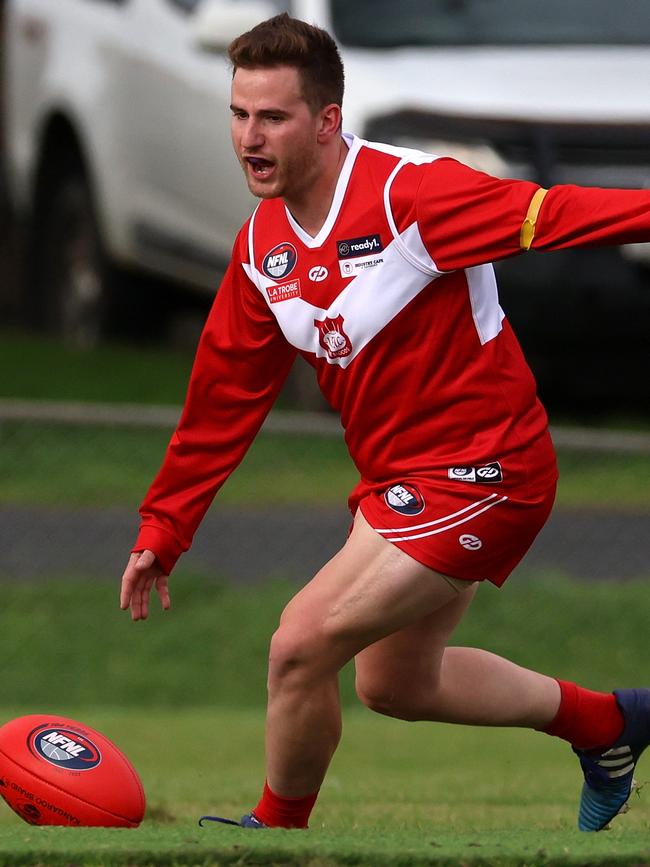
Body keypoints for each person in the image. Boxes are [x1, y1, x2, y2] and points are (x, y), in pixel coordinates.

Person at [119, 13, 650, 833]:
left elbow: (554, 214)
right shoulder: (263, 249)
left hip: (489, 469)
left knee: (298, 645)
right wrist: (166, 524)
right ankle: (610, 725)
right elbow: (221, 400)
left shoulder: (410, 195)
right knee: (394, 685)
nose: (248, 138)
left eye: (272, 117)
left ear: (327, 120)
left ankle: (276, 832)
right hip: (401, 484)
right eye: (238, 115)